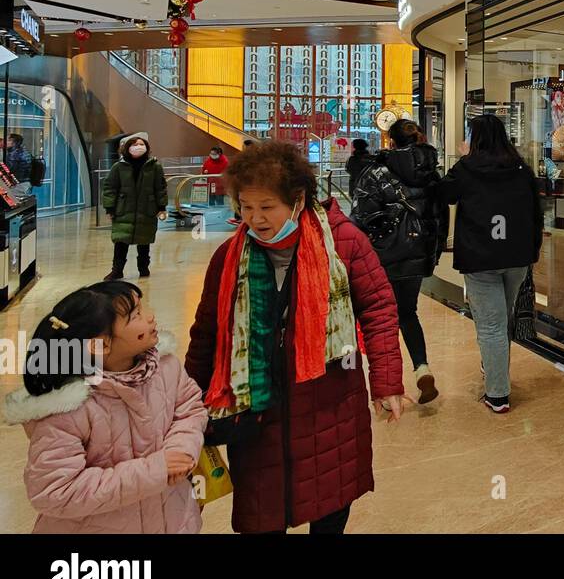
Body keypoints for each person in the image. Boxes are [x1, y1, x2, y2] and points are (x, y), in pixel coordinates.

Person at [184, 140, 405, 534]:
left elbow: (378, 308)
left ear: (298, 199)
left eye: (267, 207)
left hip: (330, 405)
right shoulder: (228, 258)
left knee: (330, 508)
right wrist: (185, 406)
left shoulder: (343, 243)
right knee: (260, 515)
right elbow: (206, 334)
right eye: (246, 207)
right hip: (256, 414)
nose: (256, 219)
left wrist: (386, 382)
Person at [3, 282, 208, 533]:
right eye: (136, 316)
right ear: (101, 345)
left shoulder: (164, 368)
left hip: (171, 519)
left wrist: (181, 451)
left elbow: (189, 409)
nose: (151, 317)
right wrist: (154, 471)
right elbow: (56, 491)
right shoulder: (68, 408)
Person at [435, 114, 542, 413]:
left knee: (492, 326)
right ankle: (493, 367)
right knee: (502, 319)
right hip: (517, 257)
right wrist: (533, 250)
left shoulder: (466, 168)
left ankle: (498, 394)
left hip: (480, 257)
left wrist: (462, 157)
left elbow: (445, 195)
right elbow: (536, 212)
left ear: (475, 138)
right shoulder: (521, 169)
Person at [352, 120, 447, 404]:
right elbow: (441, 216)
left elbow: (362, 215)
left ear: (390, 141)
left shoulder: (377, 172)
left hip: (383, 256)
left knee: (382, 317)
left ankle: (388, 382)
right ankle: (422, 369)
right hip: (418, 257)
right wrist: (435, 251)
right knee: (408, 313)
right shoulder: (433, 173)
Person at [102, 132, 169, 280]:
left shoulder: (154, 166)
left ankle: (143, 268)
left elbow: (160, 187)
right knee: (121, 240)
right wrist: (110, 208)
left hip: (147, 209)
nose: (138, 147)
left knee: (144, 241)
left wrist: (161, 206)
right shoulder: (119, 167)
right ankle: (117, 270)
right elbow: (110, 187)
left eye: (141, 144)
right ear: (127, 148)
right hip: (124, 209)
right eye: (134, 144)